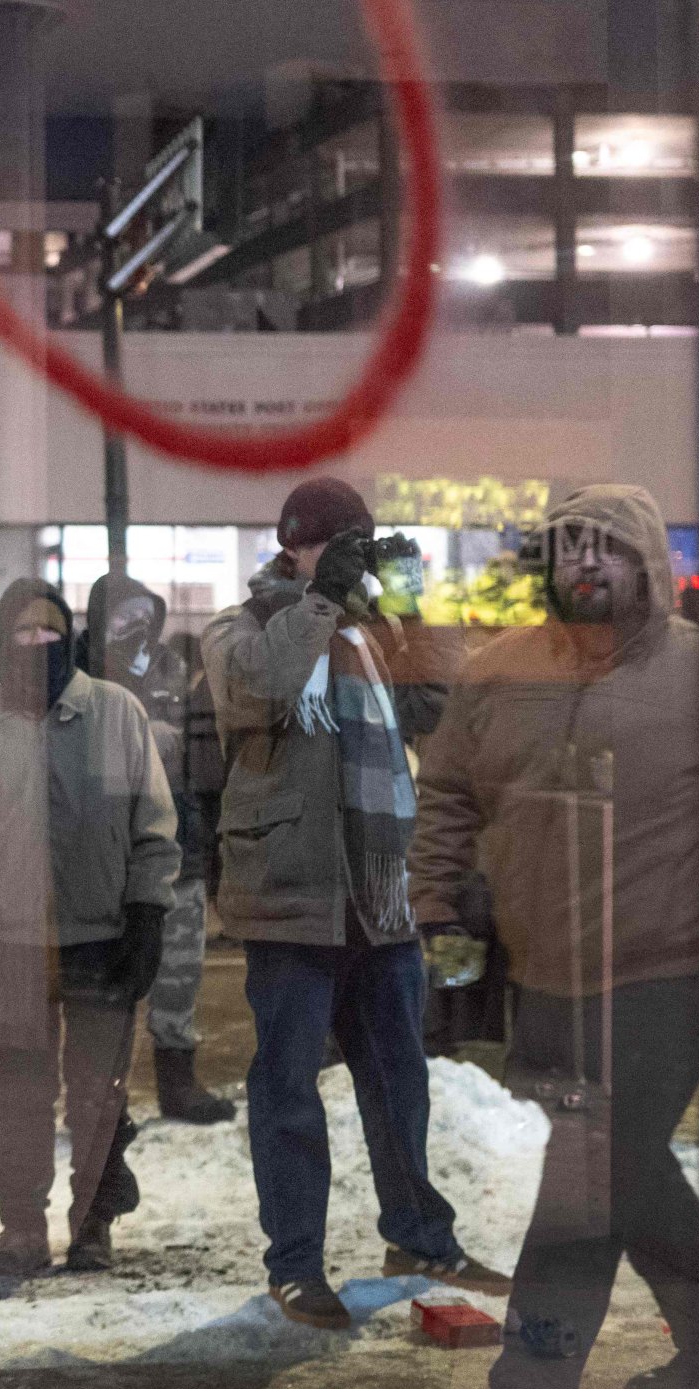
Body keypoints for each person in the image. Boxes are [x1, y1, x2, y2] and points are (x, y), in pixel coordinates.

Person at [414, 488, 699, 1389]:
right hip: (546, 973)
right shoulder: (502, 671)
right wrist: (431, 902)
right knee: (635, 1176)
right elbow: (449, 796)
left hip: (670, 971)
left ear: (648, 567)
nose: (587, 565)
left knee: (590, 1174)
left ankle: (532, 1382)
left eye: (609, 549)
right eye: (569, 550)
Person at [208, 478, 499, 1331]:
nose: (345, 559)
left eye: (356, 544)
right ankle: (295, 1264)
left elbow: (442, 711)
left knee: (399, 1081)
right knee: (290, 1087)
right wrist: (322, 598)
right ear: (291, 544)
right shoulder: (247, 625)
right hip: (294, 892)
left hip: (381, 892)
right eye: (330, 543)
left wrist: (414, 607)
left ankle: (418, 1235)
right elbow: (255, 694)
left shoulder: (375, 633)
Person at [0, 577, 179, 1277]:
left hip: (102, 936)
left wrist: (146, 912)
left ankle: (93, 1224)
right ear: (0, 640)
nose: (38, 643)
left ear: (69, 635)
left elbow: (151, 826)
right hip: (13, 943)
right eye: (22, 631)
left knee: (98, 1097)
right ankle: (20, 1228)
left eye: (50, 630)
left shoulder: (113, 714)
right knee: (19, 1096)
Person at [83, 574, 233, 1124]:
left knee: (179, 972)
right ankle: (103, 1097)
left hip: (178, 842)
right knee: (107, 980)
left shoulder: (174, 668)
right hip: (107, 854)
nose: (138, 627)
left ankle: (178, 1083)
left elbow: (192, 751)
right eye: (125, 615)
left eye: (148, 614)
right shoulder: (82, 675)